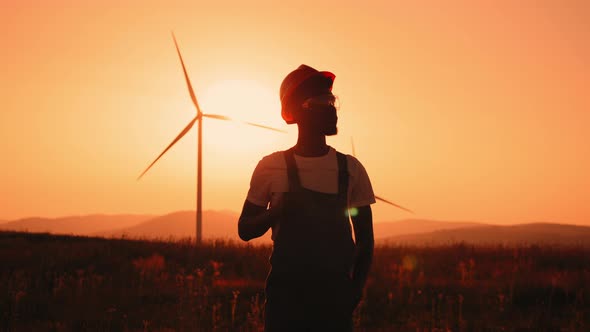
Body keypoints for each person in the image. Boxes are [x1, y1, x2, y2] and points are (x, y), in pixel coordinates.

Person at [238, 64, 376, 331]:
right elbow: (245, 229)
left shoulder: (351, 169)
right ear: (298, 109)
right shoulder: (270, 167)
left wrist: (354, 293)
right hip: (285, 308)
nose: (333, 108)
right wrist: (274, 212)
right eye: (323, 101)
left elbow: (366, 242)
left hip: (335, 307)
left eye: (333, 101)